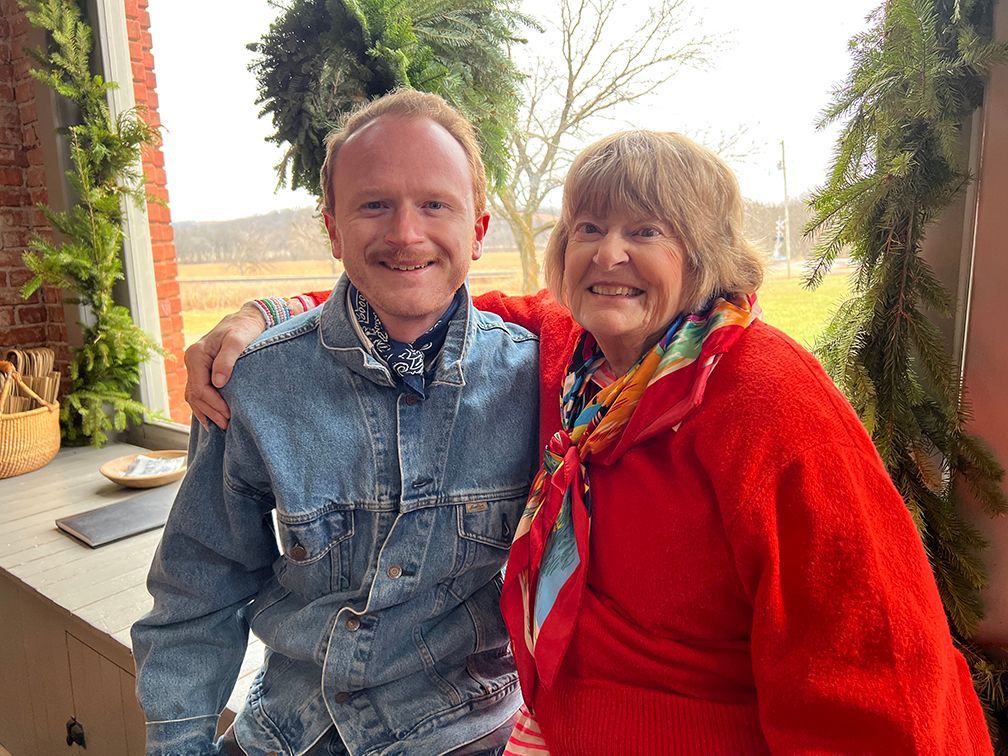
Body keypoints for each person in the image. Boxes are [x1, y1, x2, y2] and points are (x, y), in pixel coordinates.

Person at [186, 130, 993, 754]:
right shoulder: (571, 355)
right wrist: (270, 310)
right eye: (589, 227)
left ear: (704, 254)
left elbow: (874, 664)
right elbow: (419, 292)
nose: (609, 253)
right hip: (554, 731)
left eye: (647, 229)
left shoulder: (764, 396)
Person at [132, 90, 547, 756]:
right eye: (374, 204)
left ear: (478, 227)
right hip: (294, 731)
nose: (406, 233)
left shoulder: (538, 380)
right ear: (333, 227)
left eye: (435, 204)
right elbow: (197, 592)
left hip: (470, 734)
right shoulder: (253, 384)